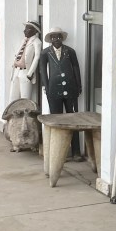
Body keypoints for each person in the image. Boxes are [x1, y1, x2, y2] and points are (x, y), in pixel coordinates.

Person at [38, 28, 83, 158]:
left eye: (58, 37)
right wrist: (47, 87)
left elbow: (76, 68)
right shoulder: (45, 53)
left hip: (70, 89)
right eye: (53, 37)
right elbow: (42, 70)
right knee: (56, 121)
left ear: (62, 38)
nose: (56, 39)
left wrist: (78, 86)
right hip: (54, 90)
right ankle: (58, 153)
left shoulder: (70, 51)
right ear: (50, 39)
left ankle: (76, 151)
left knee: (73, 120)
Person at [8, 21, 42, 103]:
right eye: (25, 28)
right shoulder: (24, 40)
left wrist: (30, 73)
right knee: (13, 96)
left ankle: (25, 112)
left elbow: (37, 57)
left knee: (25, 98)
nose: (24, 31)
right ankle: (13, 111)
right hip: (16, 70)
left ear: (35, 30)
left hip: (25, 72)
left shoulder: (37, 42)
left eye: (28, 29)